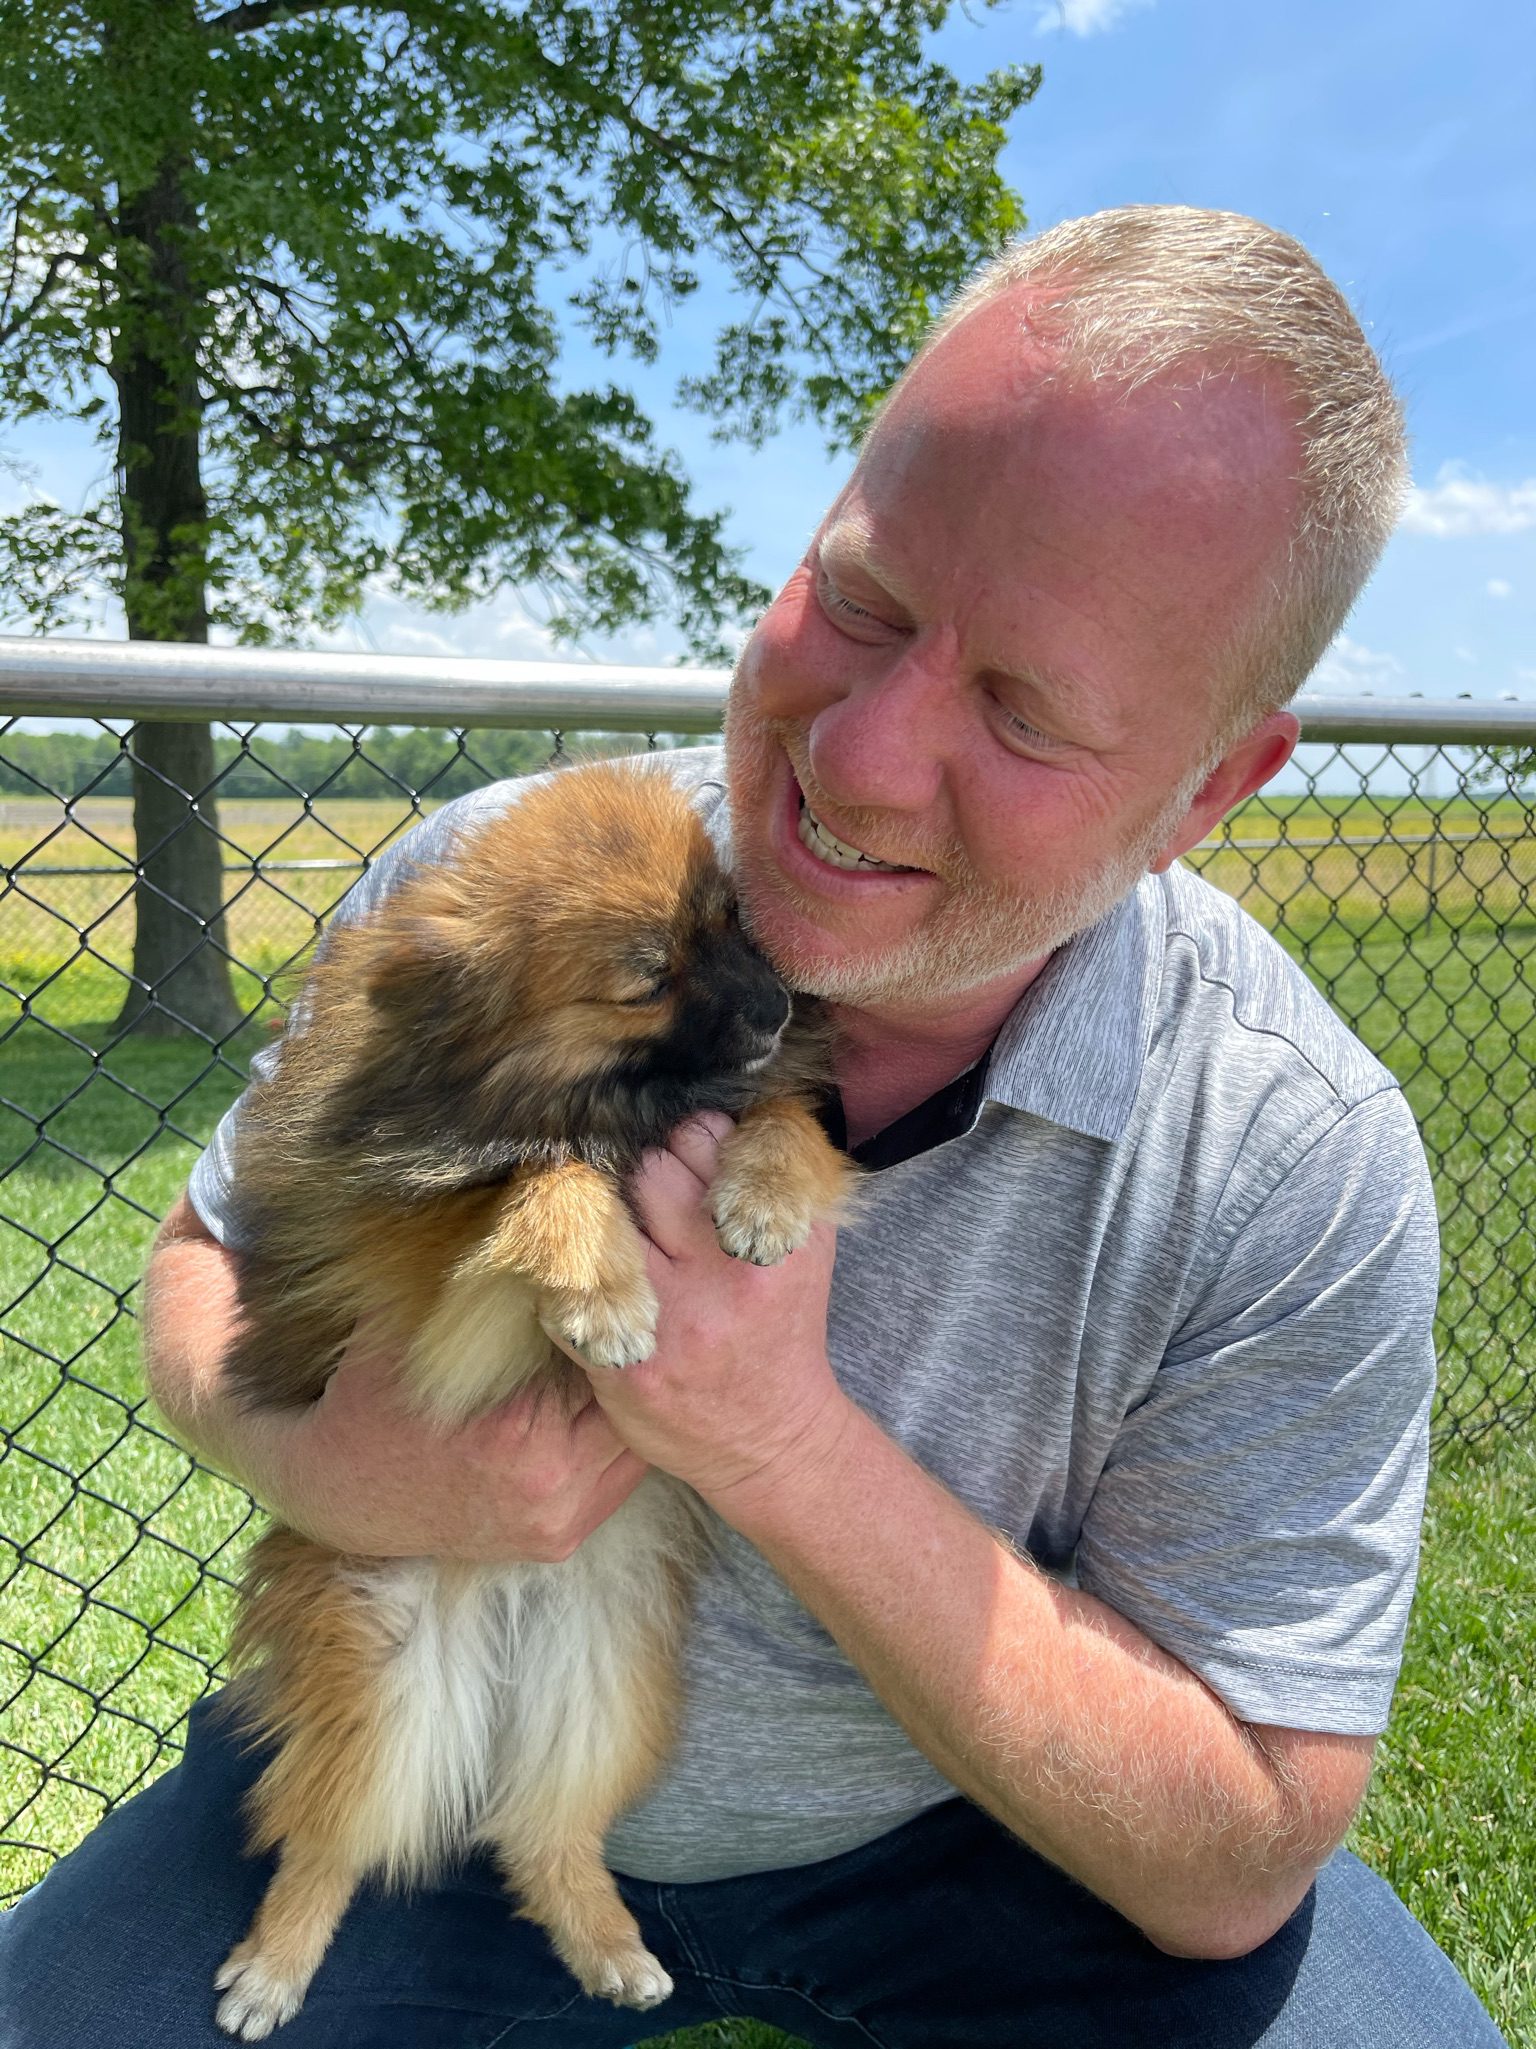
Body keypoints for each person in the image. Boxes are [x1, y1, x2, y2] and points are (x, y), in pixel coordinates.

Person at [0, 206, 1509, 2047]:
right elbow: (207, 1251)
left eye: (1026, 714)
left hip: (985, 1842)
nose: (855, 758)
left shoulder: (1287, 1150)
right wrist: (334, 1467)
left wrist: (780, 1440)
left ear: (1213, 785)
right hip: (442, 1783)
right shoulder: (501, 893)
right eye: (860, 601)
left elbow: (1238, 1849)